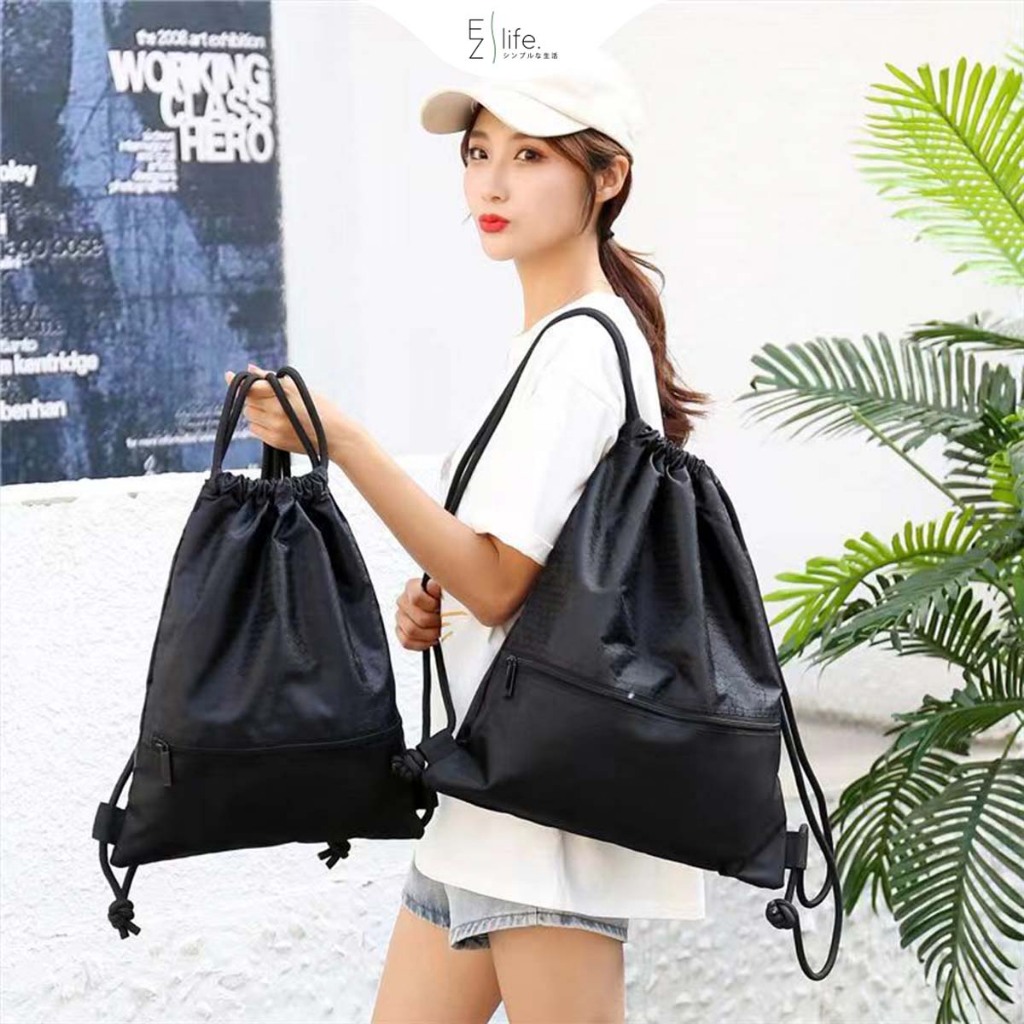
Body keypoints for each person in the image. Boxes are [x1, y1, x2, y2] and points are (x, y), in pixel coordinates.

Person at [226, 47, 712, 1024]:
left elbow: (497, 582)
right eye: (479, 152)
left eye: (530, 156)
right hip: (490, 795)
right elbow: (501, 578)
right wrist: (437, 601)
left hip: (539, 806)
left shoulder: (578, 352)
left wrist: (344, 441)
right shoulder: (558, 342)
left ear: (607, 176)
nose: (491, 183)